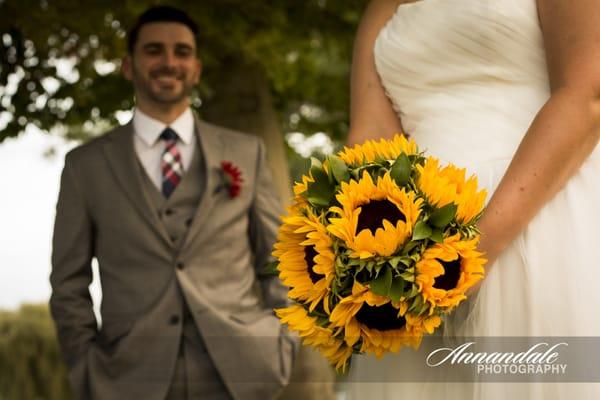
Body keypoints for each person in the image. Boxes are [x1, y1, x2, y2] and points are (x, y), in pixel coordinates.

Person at [345, 0, 600, 399]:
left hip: (536, 221)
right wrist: (361, 255)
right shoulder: (382, 6)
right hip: (413, 248)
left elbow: (588, 94)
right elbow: (369, 138)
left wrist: (465, 258)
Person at [49, 6, 297, 400]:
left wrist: (281, 343)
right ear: (129, 66)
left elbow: (282, 259)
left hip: (242, 372)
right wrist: (85, 365)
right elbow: (68, 282)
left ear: (196, 68)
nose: (169, 62)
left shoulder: (246, 152)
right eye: (154, 50)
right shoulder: (86, 166)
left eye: (182, 52)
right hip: (128, 377)